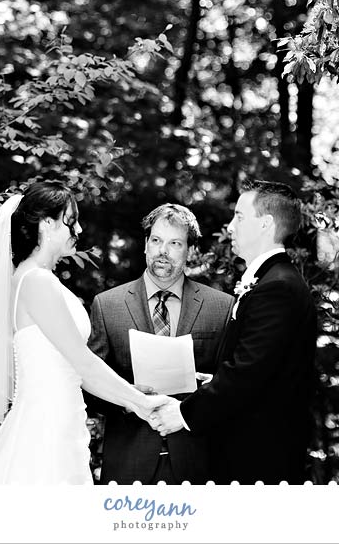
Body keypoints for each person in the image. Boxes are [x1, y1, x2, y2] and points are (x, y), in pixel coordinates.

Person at [0, 181, 168, 485]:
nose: (79, 230)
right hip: (45, 425)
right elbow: (83, 360)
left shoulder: (39, 278)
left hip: (61, 418)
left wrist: (130, 396)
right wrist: (142, 405)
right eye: (70, 221)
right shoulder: (36, 281)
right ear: (47, 224)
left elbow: (79, 372)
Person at [150, 181, 317, 485]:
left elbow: (247, 373)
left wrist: (184, 414)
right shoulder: (272, 281)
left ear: (265, 225)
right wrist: (214, 381)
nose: (230, 227)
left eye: (239, 217)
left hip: (259, 459)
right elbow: (264, 368)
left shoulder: (277, 287)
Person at [87, 203, 234, 484]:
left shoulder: (221, 307)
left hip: (199, 464)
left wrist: (208, 385)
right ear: (145, 245)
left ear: (190, 251)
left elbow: (232, 385)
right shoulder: (108, 305)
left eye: (174, 243)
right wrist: (127, 397)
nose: (162, 250)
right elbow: (90, 390)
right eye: (156, 240)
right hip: (129, 464)